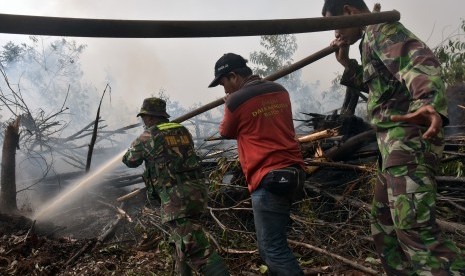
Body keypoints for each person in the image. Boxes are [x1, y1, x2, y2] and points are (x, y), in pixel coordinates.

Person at [322, 1, 465, 275]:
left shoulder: (381, 29)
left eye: (334, 25)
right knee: (384, 228)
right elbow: (381, 87)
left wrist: (427, 101)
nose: (336, 35)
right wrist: (347, 63)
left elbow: (419, 60)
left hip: (407, 141)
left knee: (416, 232)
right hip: (390, 148)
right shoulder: (368, 41)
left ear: (349, 12)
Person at [208, 53, 306, 275]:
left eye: (223, 83)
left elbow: (225, 132)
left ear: (233, 76)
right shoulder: (280, 90)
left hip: (268, 178)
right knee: (269, 247)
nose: (224, 90)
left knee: (273, 250)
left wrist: (229, 105)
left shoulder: (235, 101)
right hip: (295, 173)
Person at [122, 97, 229, 276]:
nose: (143, 122)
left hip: (176, 198)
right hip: (197, 193)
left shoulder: (148, 135)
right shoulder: (183, 131)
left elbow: (130, 161)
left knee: (196, 248)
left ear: (149, 117)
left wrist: (136, 146)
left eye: (144, 118)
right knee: (181, 241)